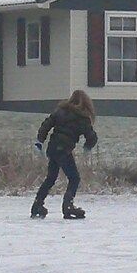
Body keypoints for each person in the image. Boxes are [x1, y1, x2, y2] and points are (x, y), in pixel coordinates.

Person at [31, 89, 97, 219]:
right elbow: (91, 137)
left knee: (51, 178)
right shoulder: (82, 118)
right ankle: (68, 206)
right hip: (64, 150)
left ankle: (37, 205)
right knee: (74, 178)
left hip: (53, 148)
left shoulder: (60, 111)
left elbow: (46, 125)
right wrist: (87, 147)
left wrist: (40, 141)